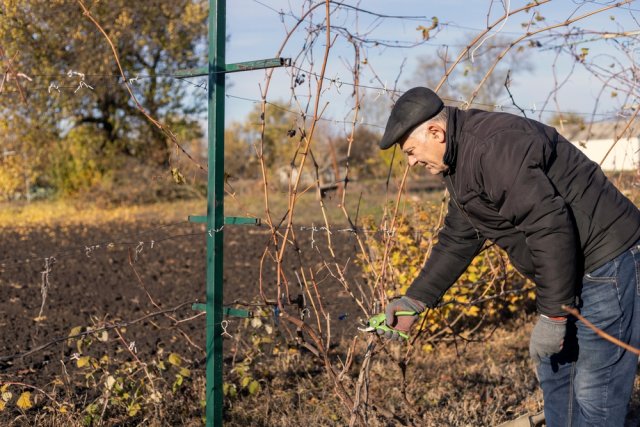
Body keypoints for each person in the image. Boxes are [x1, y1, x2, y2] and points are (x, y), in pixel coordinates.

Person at [378, 87, 640, 426]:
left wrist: (553, 316)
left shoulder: (493, 149)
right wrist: (415, 299)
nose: (411, 161)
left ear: (436, 132)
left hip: (608, 261)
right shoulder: (459, 162)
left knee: (594, 393)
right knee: (557, 372)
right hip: (570, 267)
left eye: (411, 151)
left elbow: (549, 226)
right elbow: (461, 235)